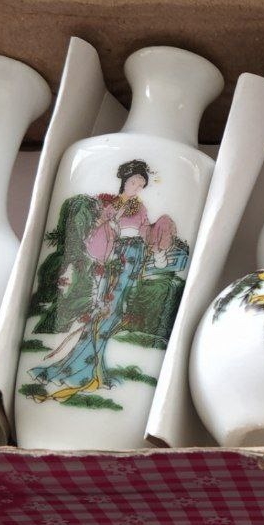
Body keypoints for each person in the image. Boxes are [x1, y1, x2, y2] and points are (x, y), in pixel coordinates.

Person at [29, 160, 177, 401]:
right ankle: (86, 368)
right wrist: (110, 219)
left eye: (141, 184)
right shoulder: (109, 203)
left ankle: (95, 368)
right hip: (116, 256)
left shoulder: (139, 208)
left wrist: (158, 239)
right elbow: (96, 230)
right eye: (134, 182)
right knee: (105, 310)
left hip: (134, 255)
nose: (137, 187)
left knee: (116, 311)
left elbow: (144, 232)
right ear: (125, 181)